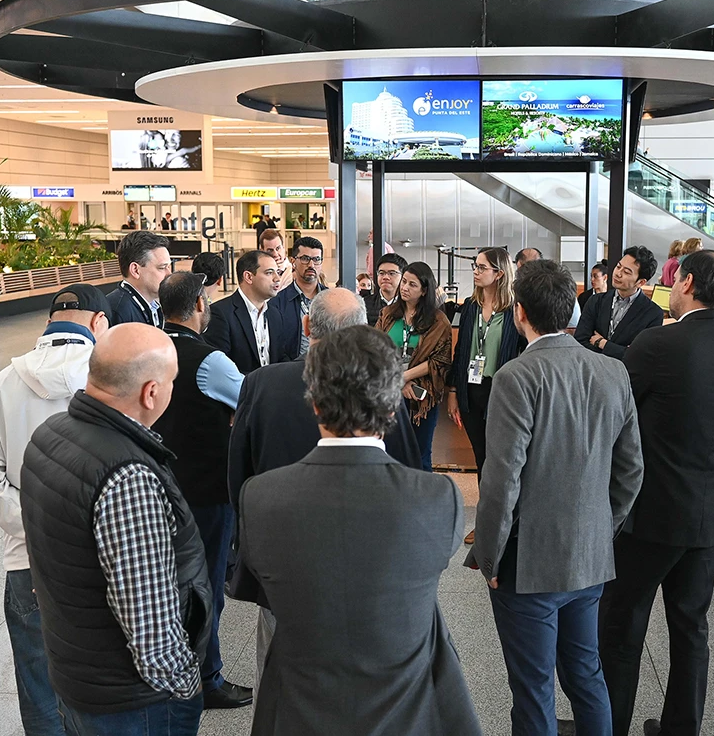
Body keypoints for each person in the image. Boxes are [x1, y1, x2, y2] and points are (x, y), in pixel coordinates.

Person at [239, 326, 480, 736]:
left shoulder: (260, 497)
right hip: (408, 712)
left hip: (298, 713)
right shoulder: (438, 498)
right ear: (391, 409)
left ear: (314, 404)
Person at [466, 259, 643, 736]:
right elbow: (631, 470)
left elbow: (502, 481)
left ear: (519, 312)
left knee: (534, 686)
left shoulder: (516, 377)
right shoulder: (612, 372)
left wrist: (488, 557)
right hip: (589, 554)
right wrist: (602, 528)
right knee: (586, 674)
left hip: (529, 562)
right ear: (572, 309)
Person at [227, 288, 421, 700]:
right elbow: (408, 471)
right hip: (370, 566)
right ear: (363, 330)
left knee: (280, 682)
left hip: (282, 562)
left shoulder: (261, 384)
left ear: (306, 325)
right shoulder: (378, 387)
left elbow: (238, 479)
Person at [20, 324, 210, 736]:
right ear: (151, 392)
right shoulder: (127, 476)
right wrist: (186, 687)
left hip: (77, 677)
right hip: (132, 703)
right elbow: (149, 623)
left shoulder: (49, 435)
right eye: (172, 380)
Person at [601, 250, 714, 736]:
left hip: (655, 509)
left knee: (622, 624)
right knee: (691, 627)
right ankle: (681, 728)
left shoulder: (657, 343)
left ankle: (610, 725)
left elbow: (619, 411)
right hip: (711, 510)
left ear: (685, 283)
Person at [0, 284, 111, 736]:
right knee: (106, 686)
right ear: (99, 323)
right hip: (105, 561)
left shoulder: (0, 384)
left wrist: (37, 522)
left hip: (26, 561)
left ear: (48, 321)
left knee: (38, 686)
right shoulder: (114, 378)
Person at [152, 272, 253, 711]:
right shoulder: (210, 360)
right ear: (198, 306)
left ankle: (166, 668)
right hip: (206, 491)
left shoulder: (145, 349)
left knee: (165, 583)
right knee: (207, 583)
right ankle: (206, 678)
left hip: (155, 486)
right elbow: (249, 404)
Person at [447, 246, 521, 546]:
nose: (475, 271)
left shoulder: (515, 309)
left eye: (481, 267)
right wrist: (453, 391)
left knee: (501, 461)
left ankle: (506, 523)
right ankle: (486, 523)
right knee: (482, 458)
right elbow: (461, 351)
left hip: (501, 392)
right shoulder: (470, 307)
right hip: (471, 390)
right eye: (475, 267)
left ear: (499, 273)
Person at [376, 262, 452, 473]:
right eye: (404, 282)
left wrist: (405, 377)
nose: (404, 288)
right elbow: (375, 349)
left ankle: (422, 501)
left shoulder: (438, 321)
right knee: (389, 449)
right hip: (389, 390)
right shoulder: (388, 314)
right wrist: (399, 382)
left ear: (424, 290)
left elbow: (440, 361)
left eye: (412, 284)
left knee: (420, 453)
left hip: (423, 394)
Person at [206, 250, 285, 374]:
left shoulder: (275, 314)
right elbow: (218, 369)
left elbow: (281, 357)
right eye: (269, 273)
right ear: (248, 277)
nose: (277, 278)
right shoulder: (220, 314)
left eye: (278, 272)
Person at [575, 245, 662, 358]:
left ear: (640, 282)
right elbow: (580, 341)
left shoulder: (653, 314)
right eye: (618, 266)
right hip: (592, 371)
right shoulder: (596, 301)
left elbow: (640, 357)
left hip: (626, 374)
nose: (618, 273)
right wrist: (621, 350)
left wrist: (602, 343)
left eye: (626, 272)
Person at [269, 236, 327, 359]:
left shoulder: (331, 299)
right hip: (292, 371)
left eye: (316, 259)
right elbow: (276, 347)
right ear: (293, 261)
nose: (311, 264)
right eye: (305, 259)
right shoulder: (277, 303)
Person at [106, 230, 172, 327]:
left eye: (169, 267)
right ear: (135, 270)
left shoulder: (153, 306)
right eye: (162, 268)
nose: (169, 274)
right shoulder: (118, 313)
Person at [516, 246, 581, 328]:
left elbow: (573, 327)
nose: (532, 272)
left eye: (535, 265)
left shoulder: (559, 288)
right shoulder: (519, 291)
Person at [363, 252, 407, 326]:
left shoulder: (409, 305)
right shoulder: (365, 304)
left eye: (392, 273)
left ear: (403, 276)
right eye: (381, 273)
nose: (385, 277)